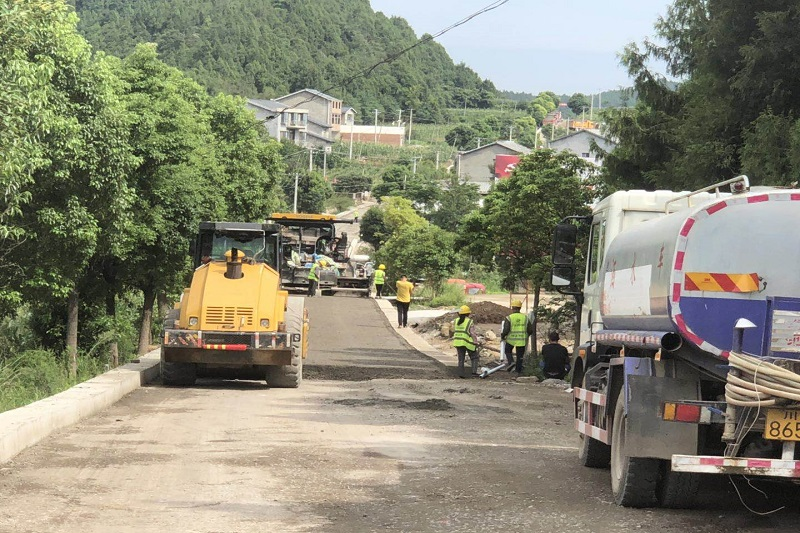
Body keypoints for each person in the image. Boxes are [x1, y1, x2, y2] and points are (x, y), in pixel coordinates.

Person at [501, 299, 533, 374]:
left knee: (508, 351)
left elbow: (506, 329)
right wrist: (527, 335)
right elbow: (530, 330)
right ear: (520, 308)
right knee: (520, 356)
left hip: (511, 339)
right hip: (522, 339)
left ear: (513, 308)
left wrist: (503, 336)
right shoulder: (525, 318)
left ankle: (511, 362)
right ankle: (518, 370)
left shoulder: (509, 317)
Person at [452, 305, 480, 378]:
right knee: (474, 357)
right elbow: (472, 333)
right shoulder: (469, 321)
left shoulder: (456, 320)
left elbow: (453, 330)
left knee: (461, 359)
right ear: (468, 313)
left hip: (458, 342)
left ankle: (461, 373)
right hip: (466, 342)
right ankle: (474, 372)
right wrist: (476, 342)